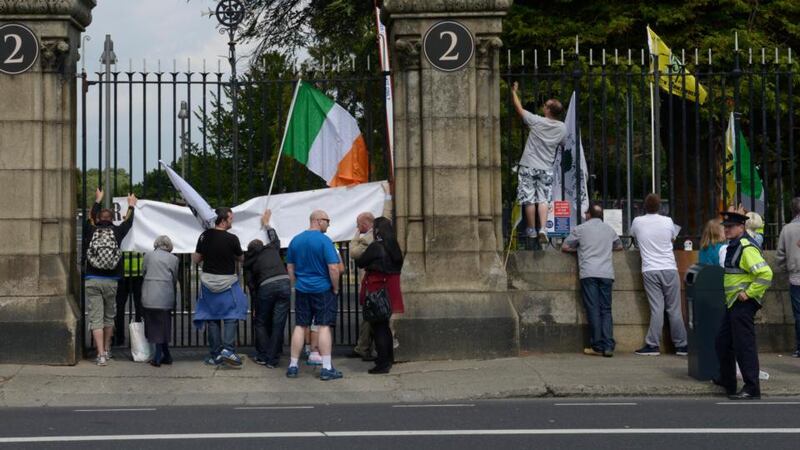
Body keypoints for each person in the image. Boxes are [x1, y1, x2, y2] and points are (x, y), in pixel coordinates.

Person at [715, 210, 773, 400]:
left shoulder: (746, 247)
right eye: (726, 227)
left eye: (730, 227)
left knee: (744, 345)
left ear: (741, 227)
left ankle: (752, 387)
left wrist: (748, 293)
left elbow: (766, 274)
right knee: (723, 342)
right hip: (733, 302)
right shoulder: (735, 245)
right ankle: (728, 380)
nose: (727, 230)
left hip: (743, 303)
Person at [285, 210, 343, 380]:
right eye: (327, 220)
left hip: (303, 289)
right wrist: (336, 288)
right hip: (322, 289)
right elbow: (334, 268)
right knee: (324, 326)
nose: (328, 224)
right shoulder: (325, 241)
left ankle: (293, 365)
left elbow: (290, 267)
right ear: (318, 221)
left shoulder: (296, 240)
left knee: (300, 326)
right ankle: (326, 368)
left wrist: (296, 284)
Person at [82, 188, 137, 366]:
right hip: (111, 280)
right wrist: (131, 206)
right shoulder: (116, 232)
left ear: (98, 219)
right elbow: (128, 222)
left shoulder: (91, 230)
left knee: (95, 318)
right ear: (112, 220)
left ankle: (100, 355)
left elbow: (90, 216)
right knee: (108, 317)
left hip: (92, 278)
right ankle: (107, 349)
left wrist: (98, 200)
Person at [629, 193, 688, 356]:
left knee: (657, 309)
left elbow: (632, 236)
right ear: (660, 207)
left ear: (644, 207)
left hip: (650, 269)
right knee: (674, 309)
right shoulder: (668, 221)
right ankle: (682, 345)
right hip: (669, 267)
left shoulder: (637, 222)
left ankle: (653, 345)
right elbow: (673, 238)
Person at [561, 204, 623, 357]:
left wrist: (579, 250)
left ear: (588, 214)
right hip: (607, 273)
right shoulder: (609, 230)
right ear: (601, 215)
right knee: (606, 310)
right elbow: (620, 246)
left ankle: (597, 345)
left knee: (593, 309)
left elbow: (565, 246)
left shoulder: (580, 229)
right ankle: (608, 346)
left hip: (589, 272)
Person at [510, 81, 567, 244]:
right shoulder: (562, 128)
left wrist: (514, 92)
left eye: (545, 106)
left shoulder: (537, 121)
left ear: (548, 110)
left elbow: (519, 109)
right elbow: (563, 144)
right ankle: (543, 228)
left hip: (529, 165)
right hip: (546, 167)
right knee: (543, 199)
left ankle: (531, 229)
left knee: (529, 199)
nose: (543, 107)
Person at [192, 207, 248, 367]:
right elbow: (241, 258)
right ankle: (228, 350)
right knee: (231, 315)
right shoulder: (232, 239)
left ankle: (215, 354)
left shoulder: (204, 236)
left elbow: (196, 259)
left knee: (212, 318)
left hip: (208, 281)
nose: (232, 221)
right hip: (228, 282)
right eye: (231, 219)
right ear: (223, 220)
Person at [355, 217, 405, 374]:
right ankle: (388, 358)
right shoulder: (394, 247)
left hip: (378, 289)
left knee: (379, 327)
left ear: (377, 230)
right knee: (385, 325)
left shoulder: (376, 247)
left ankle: (383, 364)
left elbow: (360, 262)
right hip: (391, 289)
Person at [243, 209, 291, 368]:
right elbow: (274, 236)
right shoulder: (271, 248)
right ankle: (274, 357)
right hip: (284, 282)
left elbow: (252, 287)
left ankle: (263, 355)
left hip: (266, 286)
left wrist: (256, 306)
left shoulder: (248, 264)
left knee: (261, 322)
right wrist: (266, 223)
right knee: (278, 323)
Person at [141, 235, 179, 367]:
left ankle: (162, 356)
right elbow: (174, 279)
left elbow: (143, 272)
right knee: (164, 325)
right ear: (169, 246)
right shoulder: (174, 259)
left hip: (149, 295)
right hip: (165, 296)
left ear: (156, 244)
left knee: (154, 326)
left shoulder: (147, 256)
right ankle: (161, 356)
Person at [348, 212, 376, 361]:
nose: (357, 227)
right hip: (369, 283)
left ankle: (367, 349)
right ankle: (362, 347)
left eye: (358, 224)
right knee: (368, 317)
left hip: (371, 284)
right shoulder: (374, 236)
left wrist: (356, 236)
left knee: (371, 316)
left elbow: (353, 252)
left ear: (365, 224)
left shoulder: (367, 239)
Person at [776, 197, 800, 358]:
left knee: (798, 314)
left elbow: (780, 256)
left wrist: (787, 268)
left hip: (796, 276)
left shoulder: (787, 229)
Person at [112, 251, 144, 347]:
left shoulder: (122, 236)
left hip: (123, 274)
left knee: (120, 307)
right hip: (138, 273)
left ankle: (120, 337)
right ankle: (139, 337)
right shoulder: (139, 236)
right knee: (139, 307)